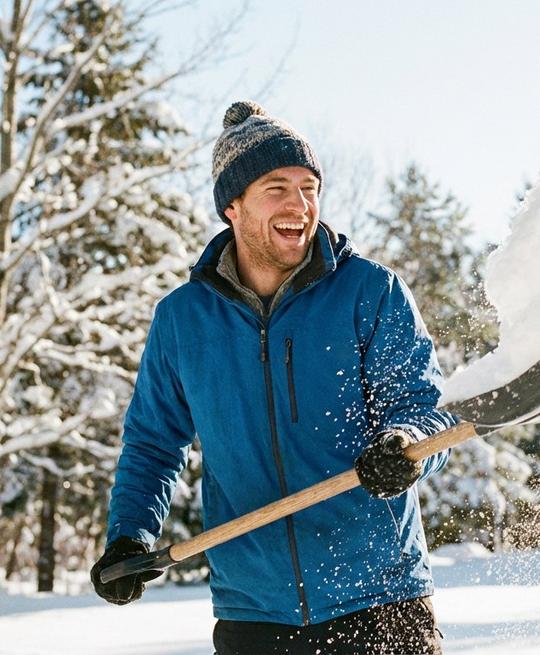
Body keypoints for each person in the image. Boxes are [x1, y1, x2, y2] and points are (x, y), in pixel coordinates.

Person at [90, 100, 457, 655]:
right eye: (277, 188)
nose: (300, 204)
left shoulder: (369, 292)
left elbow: (425, 404)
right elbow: (153, 443)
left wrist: (403, 446)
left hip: (378, 599)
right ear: (232, 207)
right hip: (254, 615)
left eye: (309, 186)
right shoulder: (183, 320)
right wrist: (130, 535)